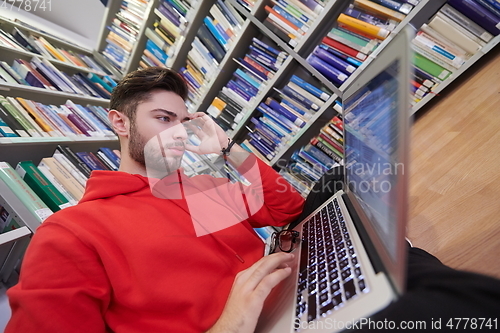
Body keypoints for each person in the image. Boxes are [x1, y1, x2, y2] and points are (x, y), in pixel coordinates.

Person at [5, 67, 305, 333]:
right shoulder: (72, 232)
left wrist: (228, 147)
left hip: (301, 300)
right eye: (164, 119)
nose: (179, 134)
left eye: (185, 122)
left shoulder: (202, 188)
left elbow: (287, 207)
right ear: (120, 123)